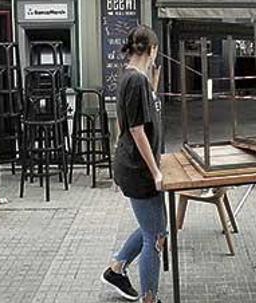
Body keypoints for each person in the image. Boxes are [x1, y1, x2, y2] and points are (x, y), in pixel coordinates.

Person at [101, 25, 165, 303]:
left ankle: (116, 269)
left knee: (155, 228)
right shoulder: (135, 81)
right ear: (151, 50)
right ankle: (149, 298)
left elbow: (135, 120)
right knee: (156, 237)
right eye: (155, 51)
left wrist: (153, 87)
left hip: (133, 165)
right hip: (139, 171)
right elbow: (137, 130)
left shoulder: (134, 77)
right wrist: (156, 171)